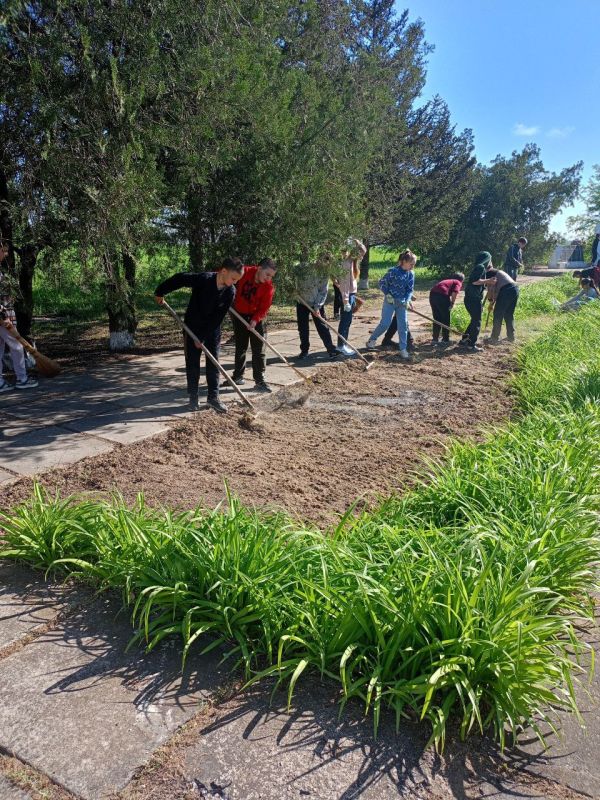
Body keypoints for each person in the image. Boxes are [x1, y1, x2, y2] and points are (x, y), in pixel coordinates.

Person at [154, 257, 244, 413]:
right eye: (233, 278)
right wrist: (160, 291)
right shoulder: (204, 279)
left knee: (213, 363)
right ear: (223, 271)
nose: (234, 282)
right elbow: (180, 278)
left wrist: (202, 336)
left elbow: (218, 317)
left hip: (211, 330)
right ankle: (193, 398)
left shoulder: (230, 291)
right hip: (192, 328)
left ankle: (213, 398)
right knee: (193, 363)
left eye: (237, 280)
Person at [230, 257, 277, 392]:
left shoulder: (268, 287)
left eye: (271, 276)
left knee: (259, 349)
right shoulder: (244, 272)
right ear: (259, 268)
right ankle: (238, 376)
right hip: (240, 314)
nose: (268, 278)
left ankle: (260, 380)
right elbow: (229, 280)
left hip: (257, 317)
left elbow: (264, 308)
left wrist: (255, 320)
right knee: (241, 346)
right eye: (267, 274)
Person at [0, 241, 38, 393]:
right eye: (3, 250)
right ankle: (22, 379)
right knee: (16, 346)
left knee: (0, 348)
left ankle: (0, 383)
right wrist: (2, 313)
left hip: (3, 316)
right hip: (2, 317)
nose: (6, 254)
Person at [366, 249, 417, 360]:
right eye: (411, 264)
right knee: (385, 323)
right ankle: (372, 340)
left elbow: (409, 290)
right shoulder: (393, 271)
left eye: (414, 264)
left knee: (403, 325)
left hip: (402, 303)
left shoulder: (411, 274)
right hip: (390, 301)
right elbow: (382, 283)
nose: (413, 266)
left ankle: (403, 349)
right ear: (404, 261)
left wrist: (407, 300)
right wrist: (387, 294)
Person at [295, 266, 338, 360]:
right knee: (303, 328)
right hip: (302, 302)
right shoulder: (302, 268)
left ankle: (331, 349)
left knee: (322, 326)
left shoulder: (324, 272)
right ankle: (304, 351)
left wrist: (317, 307)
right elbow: (293, 280)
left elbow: (323, 291)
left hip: (316, 303)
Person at [459, 251, 496, 352]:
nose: (491, 262)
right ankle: (472, 345)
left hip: (471, 298)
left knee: (474, 320)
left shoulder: (479, 267)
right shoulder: (480, 267)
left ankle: (464, 340)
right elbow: (475, 282)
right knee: (477, 321)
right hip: (473, 299)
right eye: (490, 259)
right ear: (487, 259)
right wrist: (488, 281)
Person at [336, 238, 367, 355]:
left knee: (348, 321)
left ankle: (343, 344)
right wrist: (346, 301)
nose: (362, 257)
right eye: (361, 254)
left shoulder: (352, 263)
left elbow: (363, 250)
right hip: (347, 296)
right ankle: (341, 345)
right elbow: (344, 285)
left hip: (351, 295)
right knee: (344, 322)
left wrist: (357, 241)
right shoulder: (346, 264)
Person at [484, 268, 519, 344]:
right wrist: (492, 303)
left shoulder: (490, 276)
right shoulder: (499, 273)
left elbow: (491, 291)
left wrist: (490, 302)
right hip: (515, 289)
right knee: (508, 315)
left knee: (497, 315)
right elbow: (496, 292)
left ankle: (494, 338)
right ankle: (511, 337)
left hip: (506, 291)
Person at [429, 272, 464, 346]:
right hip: (442, 296)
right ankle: (445, 340)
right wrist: (452, 303)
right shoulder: (458, 282)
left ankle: (435, 339)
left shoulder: (448, 281)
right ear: (461, 280)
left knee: (436, 318)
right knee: (446, 318)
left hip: (432, 295)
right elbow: (454, 293)